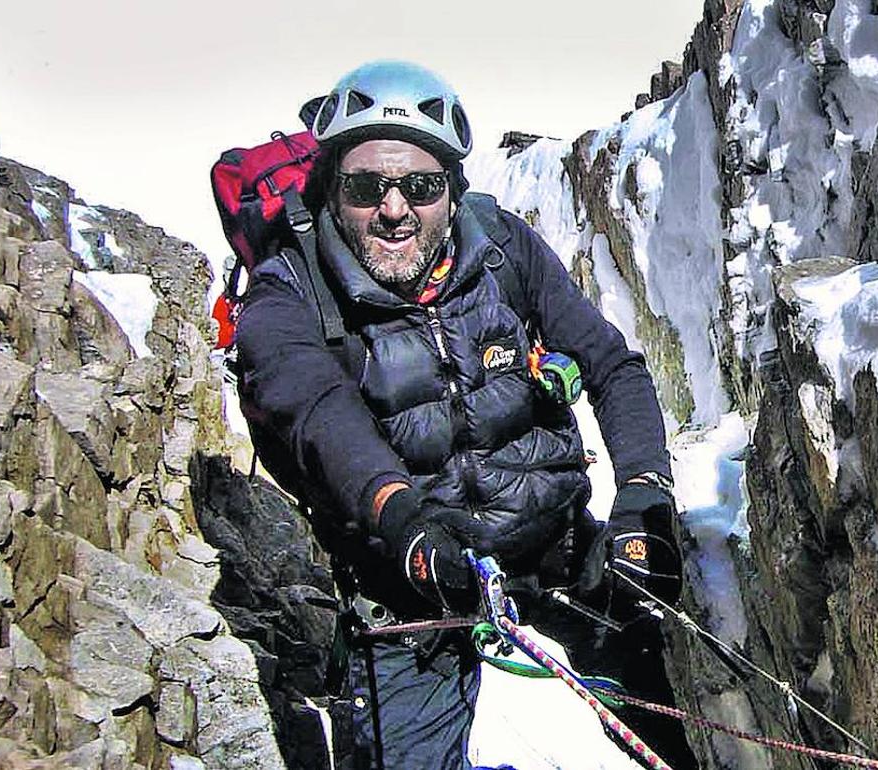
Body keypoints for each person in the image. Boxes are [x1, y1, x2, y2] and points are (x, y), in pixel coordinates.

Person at [233, 60, 698, 769]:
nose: (394, 209)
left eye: (419, 186)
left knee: (670, 724)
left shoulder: (501, 247)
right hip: (410, 585)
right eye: (367, 187)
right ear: (331, 190)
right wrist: (405, 523)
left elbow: (611, 365)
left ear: (451, 192)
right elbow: (319, 415)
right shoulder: (286, 296)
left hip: (555, 549)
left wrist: (644, 493)